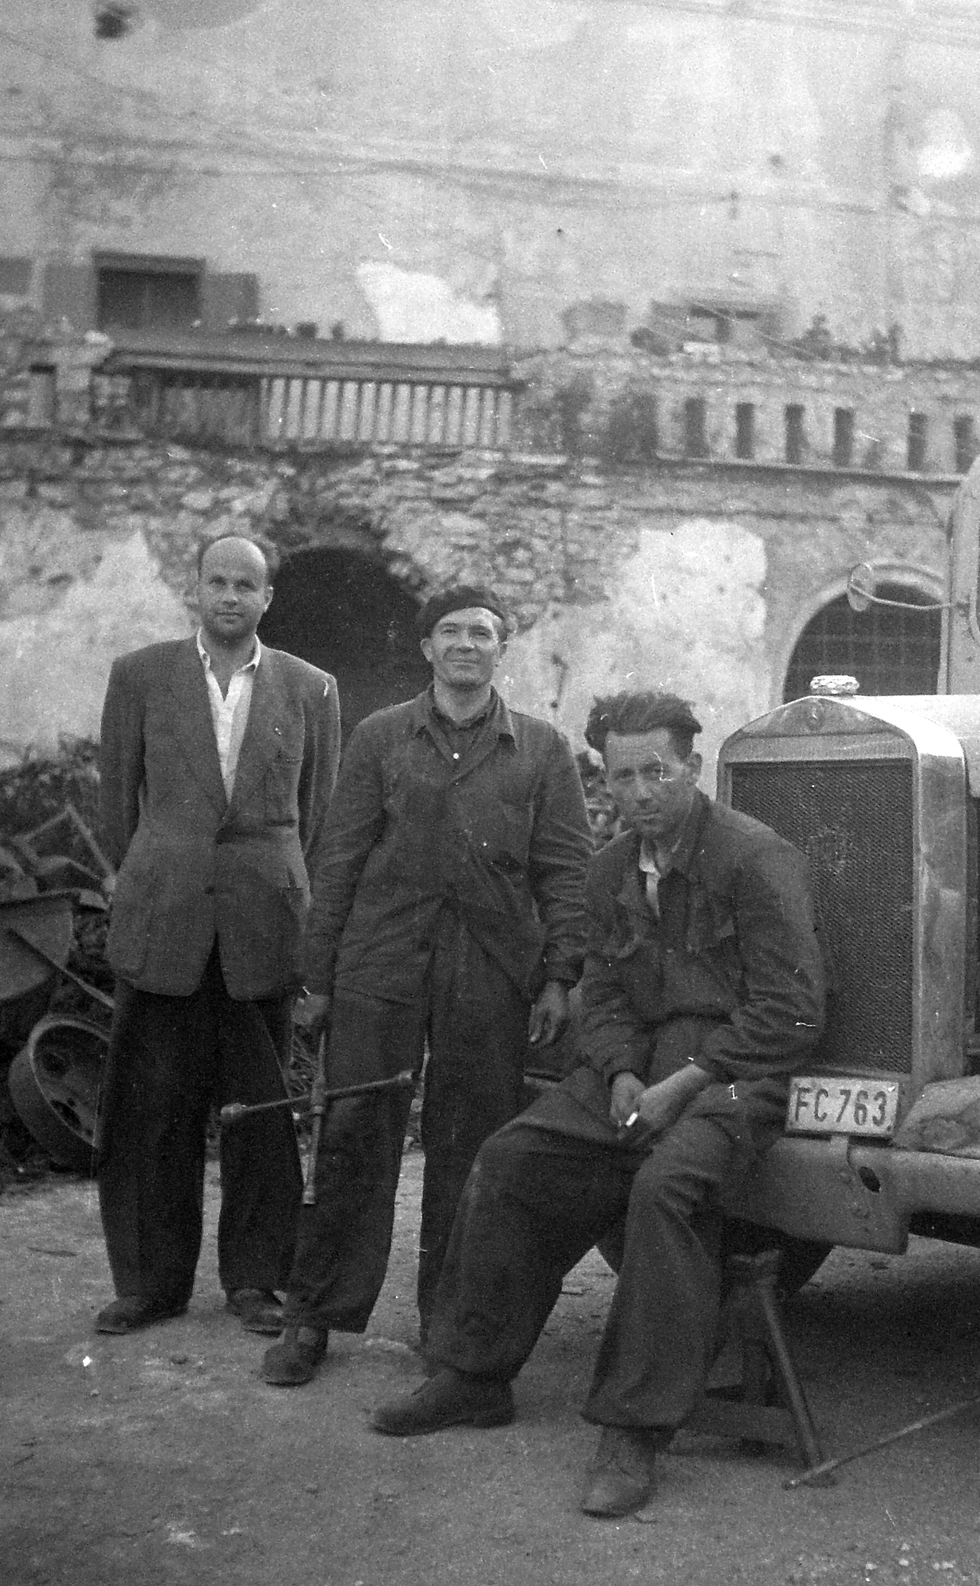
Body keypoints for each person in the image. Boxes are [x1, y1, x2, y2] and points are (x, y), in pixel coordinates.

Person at [368, 690, 828, 1519]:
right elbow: (605, 989)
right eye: (625, 776)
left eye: (659, 771)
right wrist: (617, 1074)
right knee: (512, 1159)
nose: (643, 791)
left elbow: (791, 1013)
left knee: (664, 1190)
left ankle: (636, 1428)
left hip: (737, 1076)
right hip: (637, 1070)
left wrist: (683, 1086)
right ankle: (474, 1373)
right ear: (604, 781)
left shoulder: (755, 859)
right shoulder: (611, 866)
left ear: (691, 767)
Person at [262, 584, 592, 1386]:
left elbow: (567, 874)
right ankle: (315, 1318)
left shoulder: (541, 749)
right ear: (427, 648)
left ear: (501, 649)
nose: (466, 645)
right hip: (383, 958)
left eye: (482, 633)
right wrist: (319, 975)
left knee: (473, 1144)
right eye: (451, 632)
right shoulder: (380, 738)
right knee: (354, 1132)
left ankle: (452, 1322)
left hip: (491, 967)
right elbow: (336, 858)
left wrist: (560, 976)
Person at [92, 533, 341, 1336]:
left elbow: (320, 815)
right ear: (193, 592)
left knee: (262, 1113)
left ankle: (256, 1281)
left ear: (268, 598)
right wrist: (146, 878)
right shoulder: (140, 676)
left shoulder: (312, 689)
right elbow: (114, 802)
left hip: (262, 925)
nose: (231, 596)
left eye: (248, 585)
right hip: (164, 917)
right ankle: (150, 1284)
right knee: (149, 1112)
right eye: (218, 582)